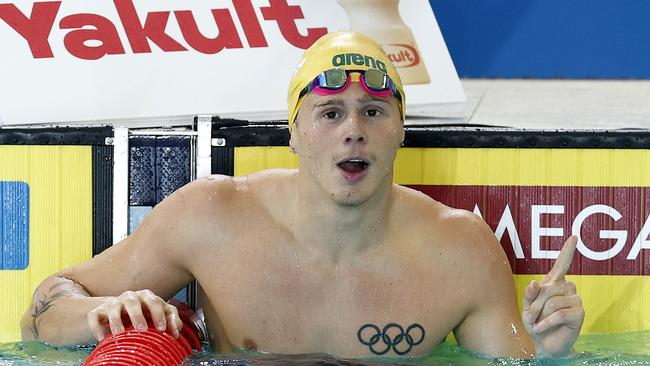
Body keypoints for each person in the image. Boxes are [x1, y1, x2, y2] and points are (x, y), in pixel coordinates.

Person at [21, 31, 584, 358]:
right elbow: (41, 312)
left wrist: (551, 349)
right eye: (330, 112)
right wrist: (98, 314)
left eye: (373, 111)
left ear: (400, 131)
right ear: (293, 132)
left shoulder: (459, 249)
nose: (353, 130)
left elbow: (514, 357)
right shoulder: (212, 216)